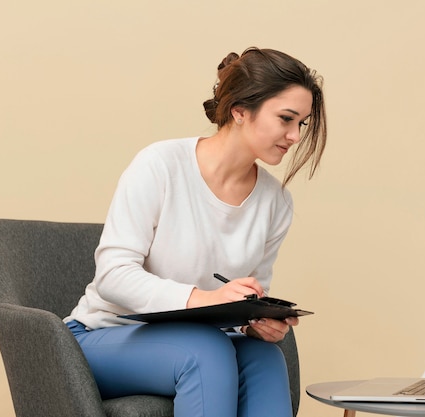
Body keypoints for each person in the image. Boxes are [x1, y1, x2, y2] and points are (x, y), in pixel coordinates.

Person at [64, 47, 327, 417]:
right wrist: (203, 298)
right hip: (100, 337)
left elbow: (249, 292)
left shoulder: (276, 202)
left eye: (301, 123)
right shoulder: (160, 166)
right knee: (205, 352)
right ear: (239, 110)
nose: (295, 135)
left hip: (200, 338)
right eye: (286, 118)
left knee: (264, 357)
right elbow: (113, 276)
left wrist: (257, 321)